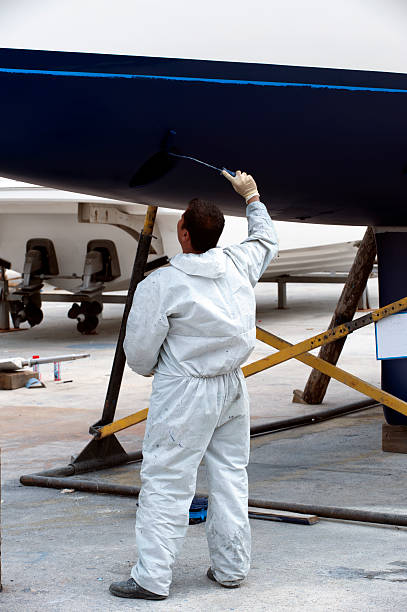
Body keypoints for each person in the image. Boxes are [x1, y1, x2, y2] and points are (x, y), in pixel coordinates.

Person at [109, 171, 279, 600]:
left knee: (167, 480)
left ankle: (151, 578)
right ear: (218, 234)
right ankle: (231, 569)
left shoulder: (162, 283)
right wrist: (252, 196)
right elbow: (265, 240)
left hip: (185, 390)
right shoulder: (239, 264)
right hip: (232, 386)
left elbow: (141, 354)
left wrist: (162, 370)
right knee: (230, 477)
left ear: (182, 233)